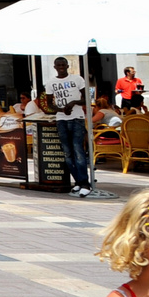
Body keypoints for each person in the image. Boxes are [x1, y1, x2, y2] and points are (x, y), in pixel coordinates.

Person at [49, 57, 92, 197]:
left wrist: (73, 102)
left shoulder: (77, 79)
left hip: (77, 118)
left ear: (68, 66)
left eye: (63, 65)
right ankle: (78, 181)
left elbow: (87, 98)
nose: (61, 67)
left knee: (78, 150)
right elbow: (49, 104)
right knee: (67, 153)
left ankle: (85, 183)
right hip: (61, 119)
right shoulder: (51, 83)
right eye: (58, 65)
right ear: (55, 67)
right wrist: (61, 110)